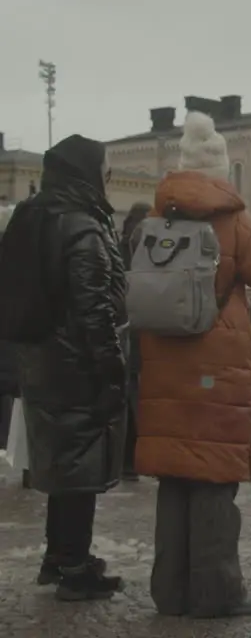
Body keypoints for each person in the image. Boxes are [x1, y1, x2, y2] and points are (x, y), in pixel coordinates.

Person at [132, 112, 251, 617]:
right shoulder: (234, 222)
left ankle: (170, 592)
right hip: (215, 370)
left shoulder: (156, 220)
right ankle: (215, 593)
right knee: (215, 480)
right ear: (221, 172)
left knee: (175, 478)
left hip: (163, 366)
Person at [8, 135, 128, 601]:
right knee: (81, 468)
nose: (109, 178)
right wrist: (111, 370)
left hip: (39, 359)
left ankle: (59, 556)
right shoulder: (81, 224)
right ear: (87, 172)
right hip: (75, 364)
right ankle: (75, 568)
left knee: (64, 464)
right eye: (106, 169)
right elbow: (94, 308)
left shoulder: (35, 214)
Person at [119, 201, 152, 481]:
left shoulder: (119, 246)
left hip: (122, 330)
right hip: (139, 331)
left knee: (127, 394)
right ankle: (134, 458)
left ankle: (127, 459)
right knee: (137, 397)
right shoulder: (147, 244)